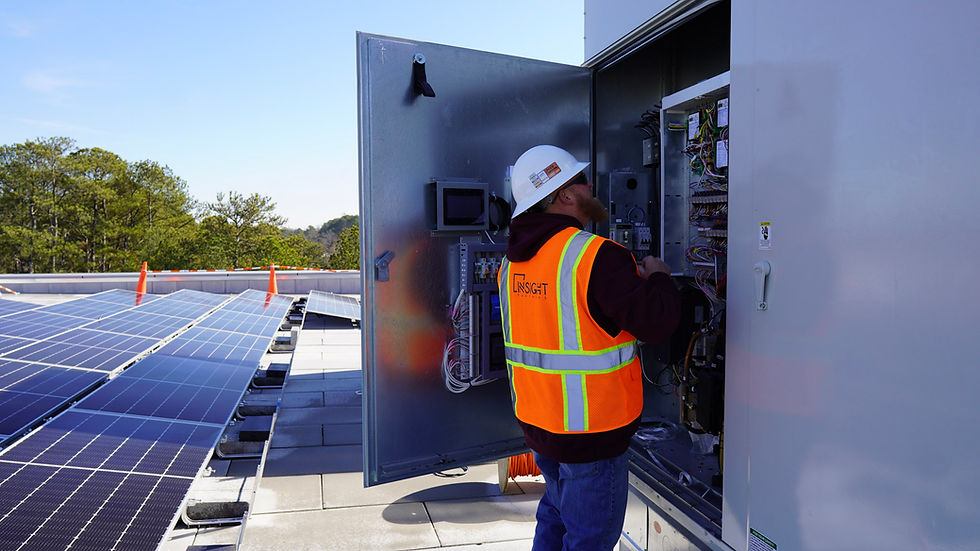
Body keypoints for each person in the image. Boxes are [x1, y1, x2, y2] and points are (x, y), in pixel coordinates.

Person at [497, 145, 681, 550]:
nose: (591, 186)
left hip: (541, 424)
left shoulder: (512, 262)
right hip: (591, 433)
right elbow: (656, 323)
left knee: (556, 517)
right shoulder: (596, 256)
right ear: (563, 194)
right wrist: (660, 278)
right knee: (589, 540)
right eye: (581, 180)